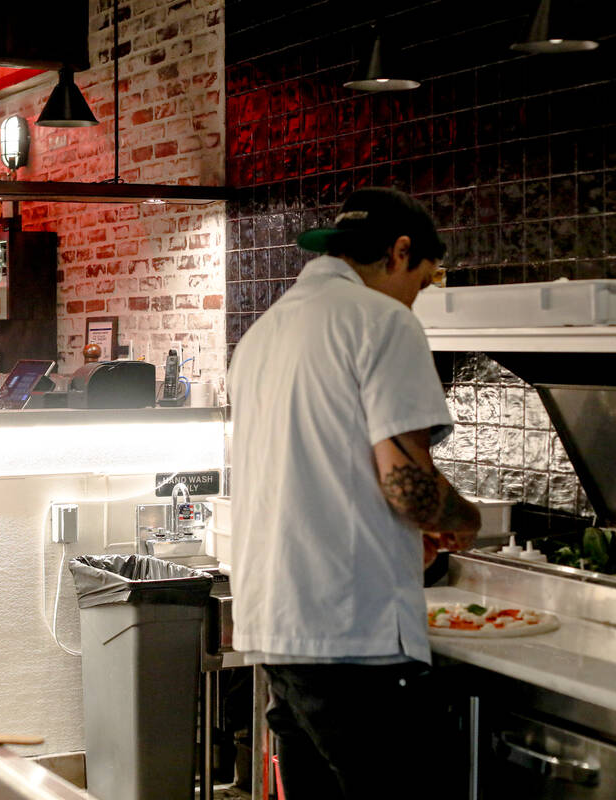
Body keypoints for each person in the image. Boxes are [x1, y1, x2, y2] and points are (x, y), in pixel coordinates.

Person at [227, 187, 481, 798]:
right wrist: (463, 521)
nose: (415, 299)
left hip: (276, 629)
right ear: (399, 253)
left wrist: (393, 535)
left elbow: (323, 472)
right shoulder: (383, 321)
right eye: (421, 282)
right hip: (352, 638)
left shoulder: (263, 333)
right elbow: (409, 489)